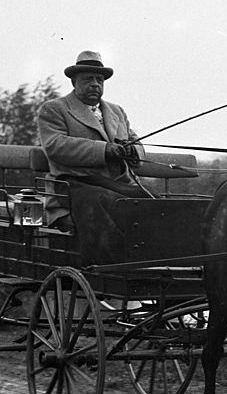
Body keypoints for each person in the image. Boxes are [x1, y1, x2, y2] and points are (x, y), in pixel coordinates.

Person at [37, 50, 149, 264]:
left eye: (100, 80)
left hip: (117, 184)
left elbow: (137, 143)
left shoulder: (117, 112)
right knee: (107, 202)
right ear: (73, 82)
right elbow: (55, 146)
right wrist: (104, 149)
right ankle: (107, 267)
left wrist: (133, 151)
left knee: (153, 203)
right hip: (73, 184)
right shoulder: (54, 109)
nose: (95, 84)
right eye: (88, 79)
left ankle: (151, 262)